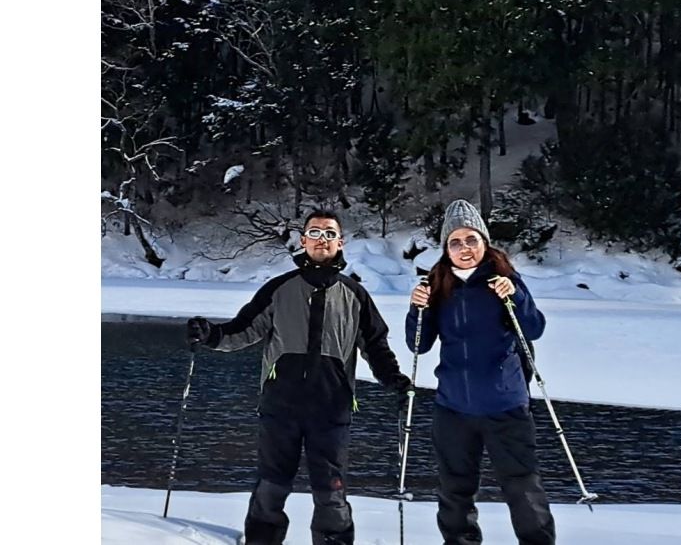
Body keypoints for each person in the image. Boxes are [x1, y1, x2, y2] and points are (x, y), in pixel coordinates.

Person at [188, 209, 412, 545]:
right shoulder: (279, 289)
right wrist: (209, 334)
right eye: (315, 232)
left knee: (331, 493)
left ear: (340, 242)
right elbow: (242, 330)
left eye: (329, 233)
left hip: (332, 411)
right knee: (272, 486)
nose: (322, 240)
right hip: (280, 407)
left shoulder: (355, 295)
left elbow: (376, 346)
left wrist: (393, 379)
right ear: (303, 239)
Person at [405, 199, 556, 545]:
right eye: (455, 242)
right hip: (453, 407)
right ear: (446, 249)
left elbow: (534, 329)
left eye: (471, 239)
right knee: (455, 491)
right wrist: (418, 310)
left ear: (484, 241)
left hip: (505, 405)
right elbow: (419, 345)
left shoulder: (503, 281)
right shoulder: (437, 285)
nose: (464, 248)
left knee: (522, 488)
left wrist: (516, 295)